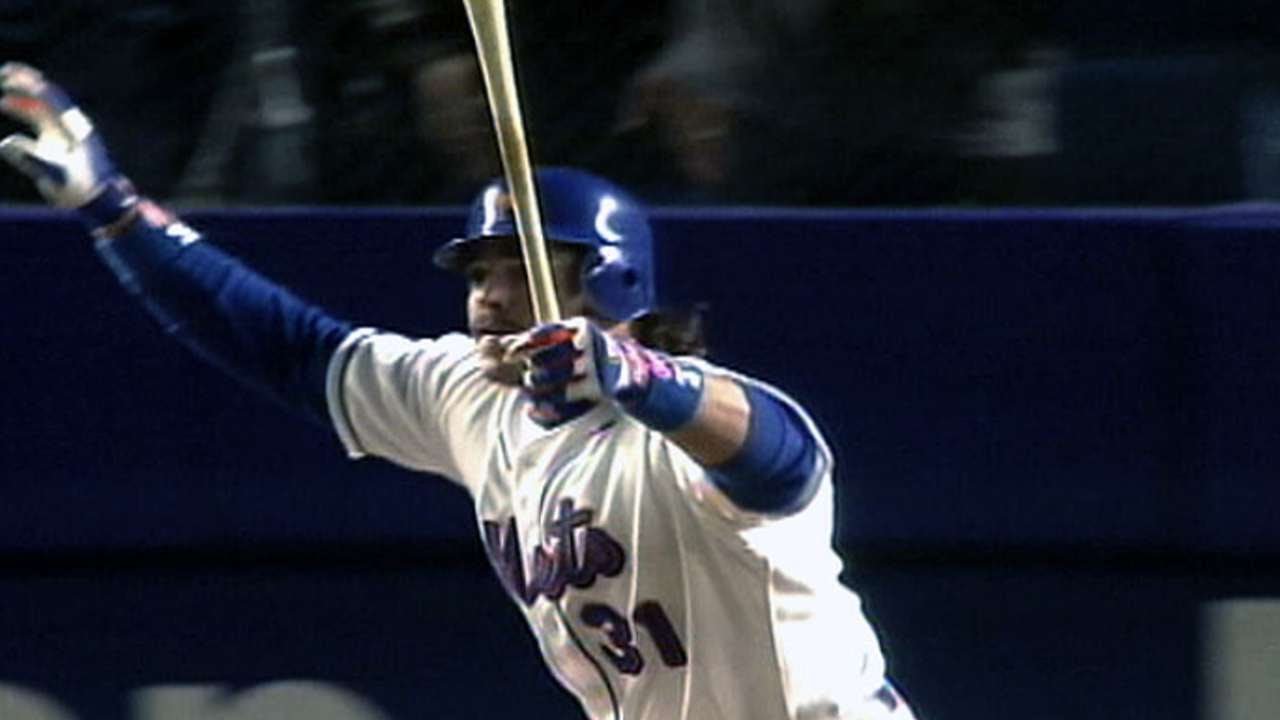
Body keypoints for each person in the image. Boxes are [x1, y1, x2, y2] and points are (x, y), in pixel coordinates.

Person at [0, 62, 917, 720]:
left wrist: (634, 375)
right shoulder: (472, 397)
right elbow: (289, 347)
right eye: (475, 269)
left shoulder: (680, 423)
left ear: (608, 284)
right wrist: (114, 210)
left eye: (515, 268)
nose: (484, 295)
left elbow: (780, 459)